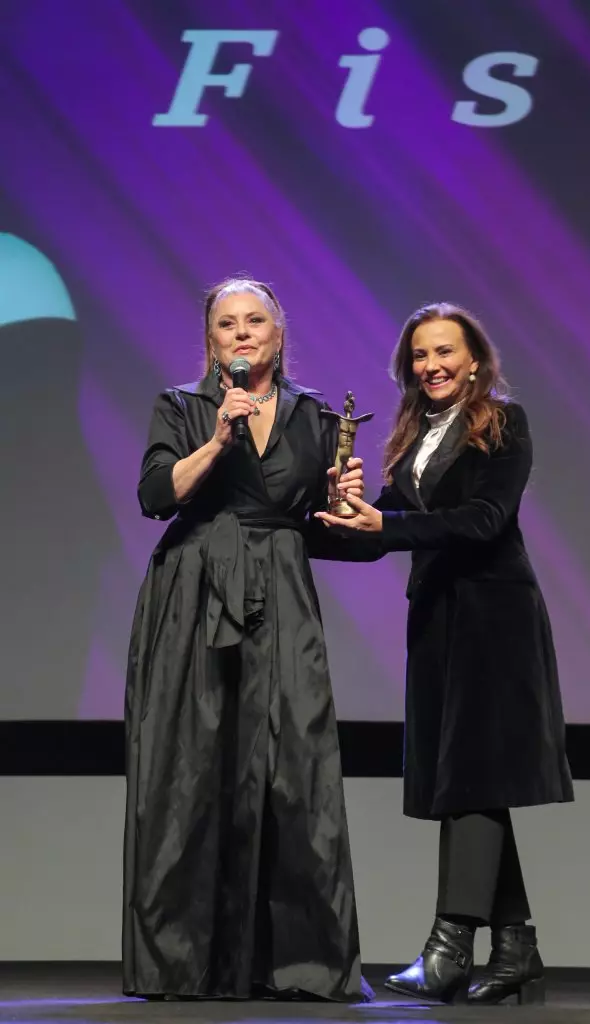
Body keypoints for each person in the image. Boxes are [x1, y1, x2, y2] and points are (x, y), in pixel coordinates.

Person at [316, 302, 574, 1005]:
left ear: (474, 359)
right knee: (470, 779)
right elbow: (385, 533)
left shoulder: (502, 423)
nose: (431, 365)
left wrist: (390, 521)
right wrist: (343, 516)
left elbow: (485, 520)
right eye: (420, 355)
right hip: (436, 620)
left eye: (444, 352)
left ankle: (449, 946)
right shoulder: (415, 434)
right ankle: (516, 944)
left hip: (495, 618)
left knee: (472, 775)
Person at [123, 277, 373, 1002]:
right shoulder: (183, 405)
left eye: (254, 321)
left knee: (297, 766)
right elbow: (154, 495)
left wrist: (347, 505)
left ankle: (297, 963)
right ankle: (185, 962)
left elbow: (330, 531)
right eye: (227, 323)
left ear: (278, 335)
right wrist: (216, 440)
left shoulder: (314, 416)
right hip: (194, 594)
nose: (241, 333)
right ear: (211, 339)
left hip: (284, 595)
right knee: (191, 770)